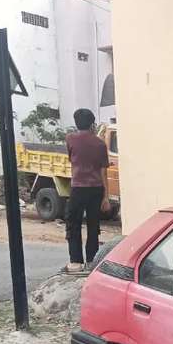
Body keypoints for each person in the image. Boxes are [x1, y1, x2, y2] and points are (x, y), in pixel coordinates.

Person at [63, 108, 110, 273]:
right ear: (92, 124)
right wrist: (106, 197)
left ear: (76, 123)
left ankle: (76, 261)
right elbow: (104, 171)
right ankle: (92, 260)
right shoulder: (100, 143)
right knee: (93, 225)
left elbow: (71, 159)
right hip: (96, 189)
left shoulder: (70, 139)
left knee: (73, 224)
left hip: (78, 188)